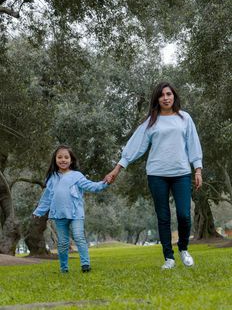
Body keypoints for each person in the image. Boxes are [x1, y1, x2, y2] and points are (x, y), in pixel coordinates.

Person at [105, 82, 203, 269]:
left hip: (181, 173)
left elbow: (193, 144)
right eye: (162, 95)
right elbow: (136, 146)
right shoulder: (151, 121)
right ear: (157, 99)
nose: (166, 98)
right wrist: (117, 168)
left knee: (184, 215)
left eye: (169, 94)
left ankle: (183, 248)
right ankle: (169, 258)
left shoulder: (184, 118)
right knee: (163, 216)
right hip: (157, 174)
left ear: (174, 96)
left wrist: (197, 169)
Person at [33, 144, 110, 273]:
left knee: (79, 236)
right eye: (60, 157)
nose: (63, 160)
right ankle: (64, 268)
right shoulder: (52, 178)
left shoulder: (77, 176)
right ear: (55, 159)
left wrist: (104, 183)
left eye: (66, 157)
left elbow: (91, 186)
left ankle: (85, 265)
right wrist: (38, 211)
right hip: (59, 215)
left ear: (71, 160)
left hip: (75, 214)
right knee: (63, 243)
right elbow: (46, 198)